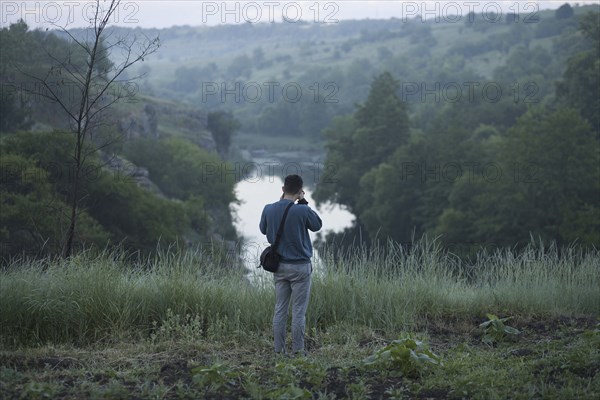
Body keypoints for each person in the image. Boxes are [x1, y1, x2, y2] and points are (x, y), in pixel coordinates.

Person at [259, 174, 322, 356]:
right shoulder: (302, 210)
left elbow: (264, 230)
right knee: (298, 312)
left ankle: (279, 352)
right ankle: (298, 352)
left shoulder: (268, 209)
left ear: (283, 189)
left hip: (279, 267)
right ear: (300, 191)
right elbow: (317, 225)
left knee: (280, 310)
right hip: (300, 268)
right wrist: (303, 202)